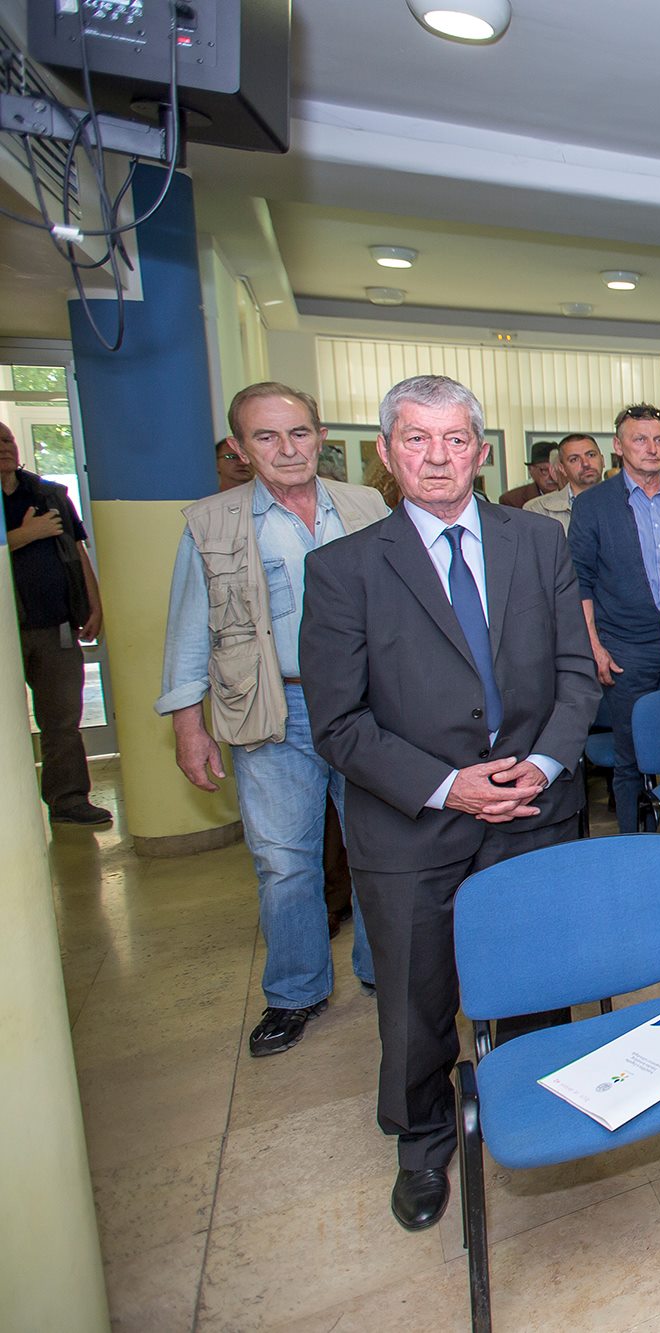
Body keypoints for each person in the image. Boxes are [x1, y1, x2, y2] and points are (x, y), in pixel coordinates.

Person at [300, 374, 598, 1231]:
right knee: (416, 997)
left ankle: (538, 1108)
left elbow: (576, 673)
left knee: (538, 976)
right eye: (417, 439)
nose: (437, 457)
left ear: (481, 450)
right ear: (387, 453)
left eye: (455, 439)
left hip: (532, 807)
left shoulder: (536, 542)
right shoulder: (344, 569)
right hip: (413, 821)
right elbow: (339, 723)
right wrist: (448, 785)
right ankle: (424, 1140)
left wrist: (543, 763)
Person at [159, 381, 390, 1052]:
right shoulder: (211, 523)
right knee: (285, 861)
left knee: (379, 849)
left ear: (321, 436)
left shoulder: (367, 506)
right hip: (271, 708)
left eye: (298, 432)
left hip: (367, 706)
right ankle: (296, 993)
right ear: (240, 447)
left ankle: (384, 970)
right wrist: (188, 724)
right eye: (266, 436)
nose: (286, 449)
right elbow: (188, 630)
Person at [568, 404, 660, 832]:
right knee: (630, 759)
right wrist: (594, 647)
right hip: (627, 648)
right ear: (618, 445)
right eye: (640, 439)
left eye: (659, 440)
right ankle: (632, 842)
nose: (652, 448)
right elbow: (580, 581)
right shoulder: (593, 505)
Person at [3, 421, 107, 824]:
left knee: (62, 721)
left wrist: (94, 606)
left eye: (7, 439)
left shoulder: (48, 495)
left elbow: (77, 551)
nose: (4, 447)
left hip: (53, 627)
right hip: (6, 631)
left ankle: (68, 800)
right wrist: (25, 534)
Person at [523, 432, 603, 532]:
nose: (586, 463)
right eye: (574, 459)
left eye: (591, 455)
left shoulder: (621, 500)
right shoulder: (538, 509)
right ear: (562, 468)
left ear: (602, 460)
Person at [498, 439, 560, 508]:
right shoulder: (512, 500)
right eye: (545, 470)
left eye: (556, 469)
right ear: (531, 470)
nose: (552, 476)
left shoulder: (569, 495)